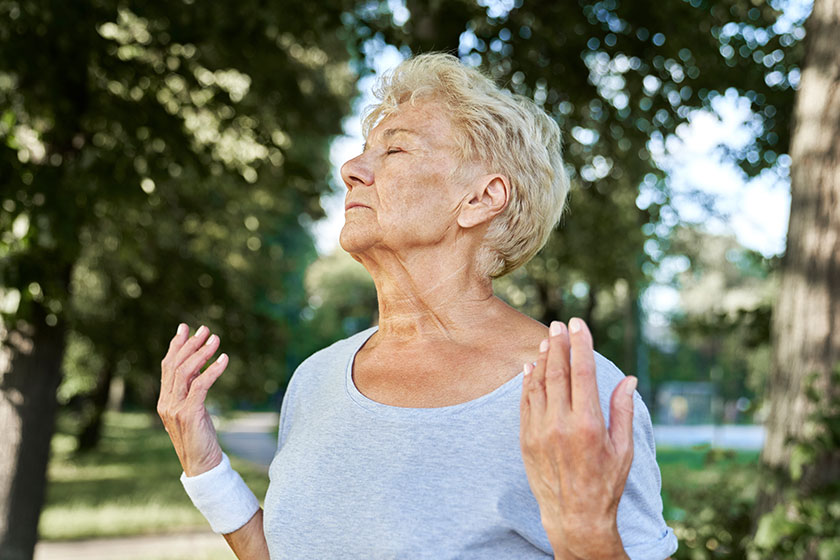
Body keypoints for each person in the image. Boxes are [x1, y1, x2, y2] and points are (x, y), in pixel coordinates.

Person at [158, 52, 678, 559]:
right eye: (364, 149)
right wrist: (205, 467)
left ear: (480, 199)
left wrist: (588, 539)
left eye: (396, 150)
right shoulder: (316, 380)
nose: (351, 169)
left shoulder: (569, 388)